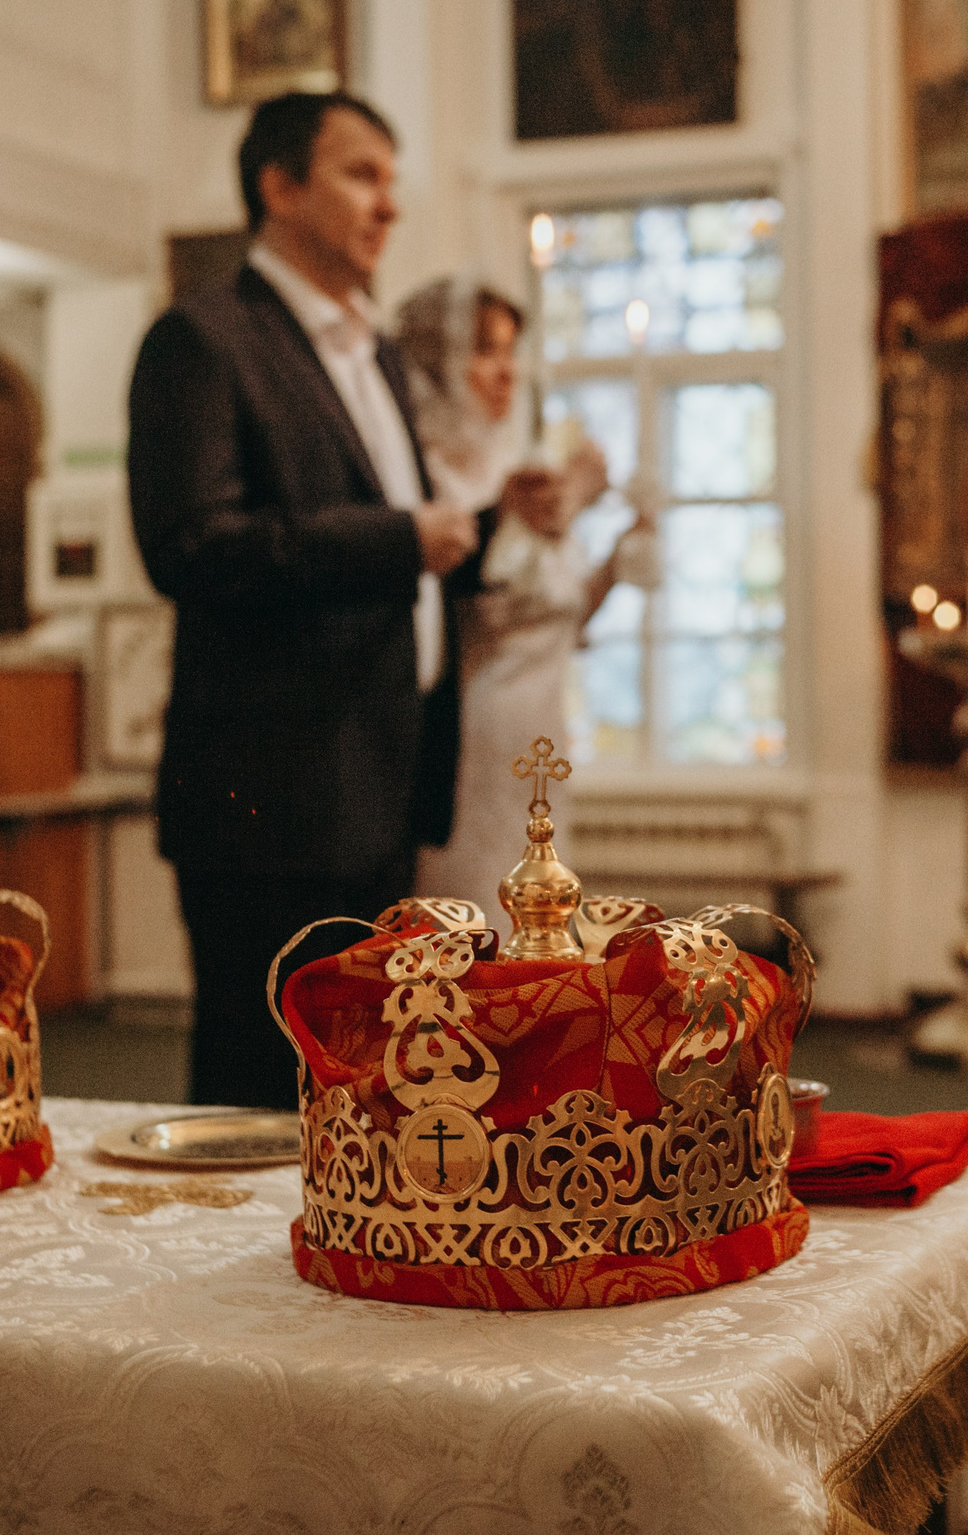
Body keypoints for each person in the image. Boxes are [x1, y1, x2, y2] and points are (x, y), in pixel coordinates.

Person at [126, 92, 567, 1111]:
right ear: (278, 187)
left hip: (381, 776)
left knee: (361, 1086)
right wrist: (405, 535)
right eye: (361, 175)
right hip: (270, 790)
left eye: (391, 181)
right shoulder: (203, 339)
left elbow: (396, 556)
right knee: (259, 1090)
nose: (388, 206)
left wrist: (489, 522)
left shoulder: (368, 352)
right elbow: (190, 546)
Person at [393, 275, 637, 918]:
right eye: (485, 352)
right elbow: (450, 598)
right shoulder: (420, 471)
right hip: (471, 736)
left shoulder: (518, 464)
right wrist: (540, 509)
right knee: (479, 926)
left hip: (545, 734)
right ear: (435, 363)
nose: (506, 373)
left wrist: (618, 552)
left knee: (545, 925)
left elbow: (564, 615)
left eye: (510, 352)